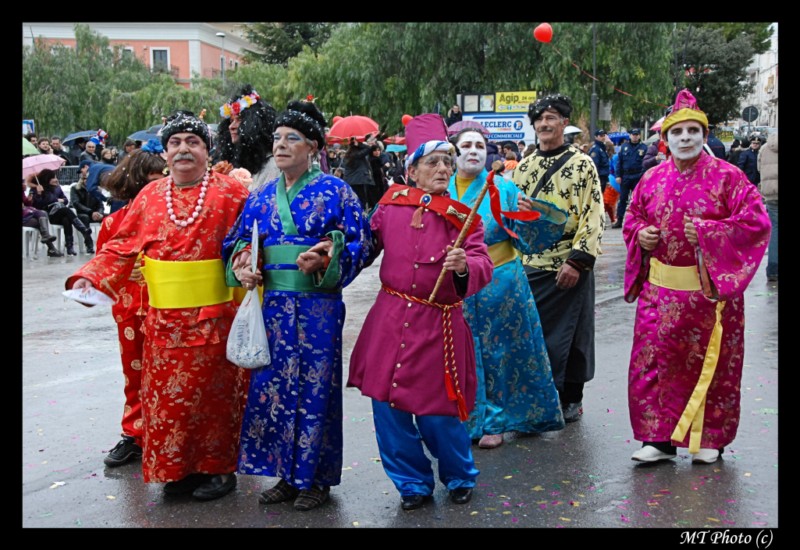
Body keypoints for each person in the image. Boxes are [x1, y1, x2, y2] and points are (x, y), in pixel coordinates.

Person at [66, 110, 251, 501]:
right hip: (163, 321)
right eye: (175, 143)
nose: (183, 150)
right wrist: (91, 278)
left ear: (206, 149)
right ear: (165, 153)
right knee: (168, 401)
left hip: (215, 316)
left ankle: (218, 470)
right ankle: (176, 470)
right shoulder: (150, 196)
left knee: (214, 398)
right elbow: (121, 246)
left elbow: (253, 237)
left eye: (193, 142)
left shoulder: (232, 193)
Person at [222, 99, 373, 511]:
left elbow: (363, 242)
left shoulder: (336, 191)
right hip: (272, 306)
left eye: (293, 139)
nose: (281, 145)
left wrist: (327, 254)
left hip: (316, 306)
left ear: (313, 147)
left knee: (314, 389)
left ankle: (317, 479)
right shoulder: (262, 196)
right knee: (274, 388)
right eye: (277, 138)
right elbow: (237, 240)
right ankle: (286, 475)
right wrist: (243, 263)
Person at [622, 89, 771, 465]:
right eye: (678, 132)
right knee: (652, 366)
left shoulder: (730, 177)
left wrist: (707, 232)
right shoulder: (650, 178)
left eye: (693, 130)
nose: (685, 137)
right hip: (658, 293)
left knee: (713, 366)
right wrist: (640, 234)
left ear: (704, 135)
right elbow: (631, 217)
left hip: (710, 296)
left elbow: (756, 223)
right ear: (666, 138)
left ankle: (709, 438)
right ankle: (658, 438)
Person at [348, 140, 494, 511]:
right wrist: (334, 252)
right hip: (390, 318)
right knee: (388, 406)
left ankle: (459, 475)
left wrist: (464, 266)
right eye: (433, 162)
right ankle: (412, 483)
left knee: (438, 411)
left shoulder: (463, 219)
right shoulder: (390, 206)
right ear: (412, 171)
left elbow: (482, 263)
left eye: (448, 162)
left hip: (439, 323)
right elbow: (363, 248)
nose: (443, 169)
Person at [448, 128, 567, 449]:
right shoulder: (440, 189)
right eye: (466, 146)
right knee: (456, 353)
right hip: (455, 285)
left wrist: (533, 213)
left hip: (500, 282)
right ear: (454, 151)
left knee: (498, 352)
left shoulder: (503, 187)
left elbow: (530, 238)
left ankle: (495, 421)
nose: (473, 151)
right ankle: (457, 417)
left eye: (479, 146)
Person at [512, 94, 604, 423]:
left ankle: (571, 398)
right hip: (530, 265)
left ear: (564, 123)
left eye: (552, 117)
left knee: (573, 335)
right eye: (539, 119)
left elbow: (594, 216)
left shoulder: (583, 164)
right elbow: (511, 216)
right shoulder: (523, 168)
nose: (545, 124)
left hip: (569, 262)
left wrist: (577, 262)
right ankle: (535, 399)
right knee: (530, 335)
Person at [96, 148, 167, 467]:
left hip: (170, 307)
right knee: (134, 375)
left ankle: (170, 436)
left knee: (172, 376)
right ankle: (134, 436)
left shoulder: (175, 219)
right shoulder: (114, 222)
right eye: (146, 184)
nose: (153, 192)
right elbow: (104, 265)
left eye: (159, 183)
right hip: (129, 311)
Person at [214, 85, 280, 191]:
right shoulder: (231, 162)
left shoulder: (273, 166)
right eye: (231, 121)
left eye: (239, 120)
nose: (232, 126)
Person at [27, 168, 95, 255]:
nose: (56, 180)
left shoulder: (57, 188)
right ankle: (82, 229)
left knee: (66, 219)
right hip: (47, 215)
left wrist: (57, 200)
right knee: (66, 210)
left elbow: (66, 200)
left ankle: (70, 247)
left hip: (59, 213)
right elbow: (37, 205)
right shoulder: (37, 189)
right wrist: (39, 194)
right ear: (47, 179)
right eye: (53, 178)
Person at [614, 128, 648, 228]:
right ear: (630, 135)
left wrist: (643, 176)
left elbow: (645, 163)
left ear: (639, 136)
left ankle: (637, 220)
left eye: (637, 134)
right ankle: (619, 220)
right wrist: (618, 175)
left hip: (637, 176)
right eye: (633, 134)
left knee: (637, 200)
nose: (635, 136)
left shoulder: (644, 148)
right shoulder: (624, 147)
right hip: (625, 176)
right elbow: (619, 162)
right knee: (623, 199)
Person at [22, 182, 63, 257]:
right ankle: (51, 247)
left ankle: (50, 246)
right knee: (39, 216)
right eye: (23, 183)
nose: (25, 184)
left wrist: (29, 200)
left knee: (39, 218)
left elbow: (27, 203)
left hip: (26, 215)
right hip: (24, 217)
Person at [758, 132, 777, 282]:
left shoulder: (764, 148)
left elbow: (759, 168)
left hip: (771, 193)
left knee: (775, 230)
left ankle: (772, 269)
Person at [342, 137, 376, 211]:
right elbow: (368, 148)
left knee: (351, 201)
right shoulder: (358, 154)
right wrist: (360, 144)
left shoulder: (347, 155)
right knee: (361, 201)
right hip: (358, 181)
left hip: (349, 181)